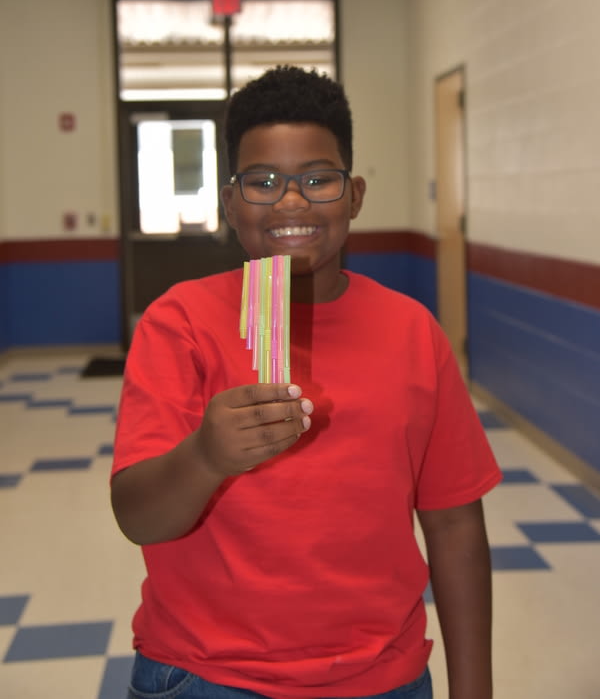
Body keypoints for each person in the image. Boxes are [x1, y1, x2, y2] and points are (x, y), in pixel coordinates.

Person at [111, 65, 502, 699]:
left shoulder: (413, 333)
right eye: (262, 181)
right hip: (205, 674)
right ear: (230, 202)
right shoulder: (178, 323)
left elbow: (455, 528)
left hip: (384, 676)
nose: (291, 202)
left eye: (319, 179)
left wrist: (474, 689)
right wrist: (206, 457)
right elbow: (138, 517)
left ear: (355, 196)